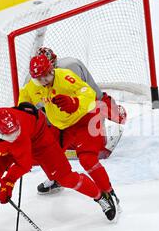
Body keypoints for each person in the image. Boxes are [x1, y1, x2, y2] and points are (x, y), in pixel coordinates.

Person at [0, 103, 117, 231]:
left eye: (16, 132)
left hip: (40, 139)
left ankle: (101, 197)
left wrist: (8, 183)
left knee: (65, 177)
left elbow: (24, 164)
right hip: (4, 148)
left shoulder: (20, 138)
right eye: (10, 134)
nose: (15, 136)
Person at [19, 54, 121, 210]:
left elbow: (89, 94)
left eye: (46, 77)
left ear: (52, 70)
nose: (43, 82)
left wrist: (75, 103)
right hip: (61, 127)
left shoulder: (66, 76)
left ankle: (109, 193)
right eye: (38, 79)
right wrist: (24, 117)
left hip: (85, 120)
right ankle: (56, 179)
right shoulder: (33, 86)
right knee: (48, 156)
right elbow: (24, 101)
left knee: (87, 159)